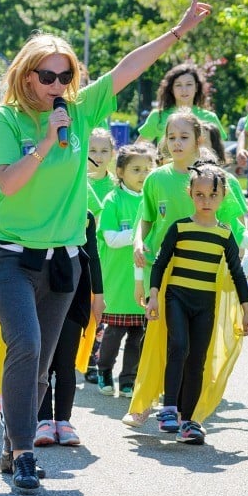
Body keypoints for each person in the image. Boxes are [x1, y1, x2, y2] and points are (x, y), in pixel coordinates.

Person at [0, 0, 212, 493]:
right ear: (26, 76)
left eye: (66, 77)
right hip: (13, 259)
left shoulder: (79, 110)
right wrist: (44, 143)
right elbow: (10, 184)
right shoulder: (7, 120)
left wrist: (178, 31)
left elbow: (127, 69)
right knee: (27, 344)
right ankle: (22, 452)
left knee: (39, 363)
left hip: (64, 260)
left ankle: (12, 439)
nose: (58, 86)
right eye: (48, 76)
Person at [144, 161, 248, 444]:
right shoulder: (179, 228)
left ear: (223, 196)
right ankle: (169, 408)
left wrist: (246, 310)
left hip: (206, 302)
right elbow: (160, 262)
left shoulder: (225, 234)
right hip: (177, 297)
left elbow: (237, 272)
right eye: (200, 195)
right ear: (190, 194)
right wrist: (154, 294)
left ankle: (189, 421)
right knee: (178, 346)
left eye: (213, 195)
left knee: (197, 360)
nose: (206, 201)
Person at [133, 110, 247, 306]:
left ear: (199, 140)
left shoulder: (218, 179)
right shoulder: (155, 179)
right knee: (161, 335)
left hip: (203, 273)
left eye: (184, 137)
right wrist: (137, 245)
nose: (177, 142)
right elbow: (146, 220)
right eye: (172, 137)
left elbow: (234, 230)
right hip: (162, 271)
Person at [35, 210, 105, 447]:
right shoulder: (39, 207)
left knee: (66, 363)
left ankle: (63, 421)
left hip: (74, 296)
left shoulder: (84, 216)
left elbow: (92, 255)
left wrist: (98, 296)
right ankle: (42, 420)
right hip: (41, 292)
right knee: (42, 361)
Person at [95, 145, 156, 397]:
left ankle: (129, 379)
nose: (143, 174)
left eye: (147, 169)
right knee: (114, 332)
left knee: (137, 334)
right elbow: (109, 237)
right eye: (136, 169)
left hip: (144, 277)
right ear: (120, 171)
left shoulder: (151, 200)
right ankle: (103, 370)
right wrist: (138, 237)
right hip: (119, 280)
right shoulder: (113, 199)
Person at [136, 63, 226, 146]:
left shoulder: (210, 118)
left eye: (189, 84)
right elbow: (139, 151)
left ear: (196, 87)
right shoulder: (158, 116)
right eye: (178, 85)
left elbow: (220, 153)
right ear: (171, 89)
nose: (184, 90)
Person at [88, 127, 117, 204]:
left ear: (112, 154)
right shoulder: (79, 182)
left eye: (104, 151)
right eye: (93, 151)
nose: (98, 156)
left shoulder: (116, 185)